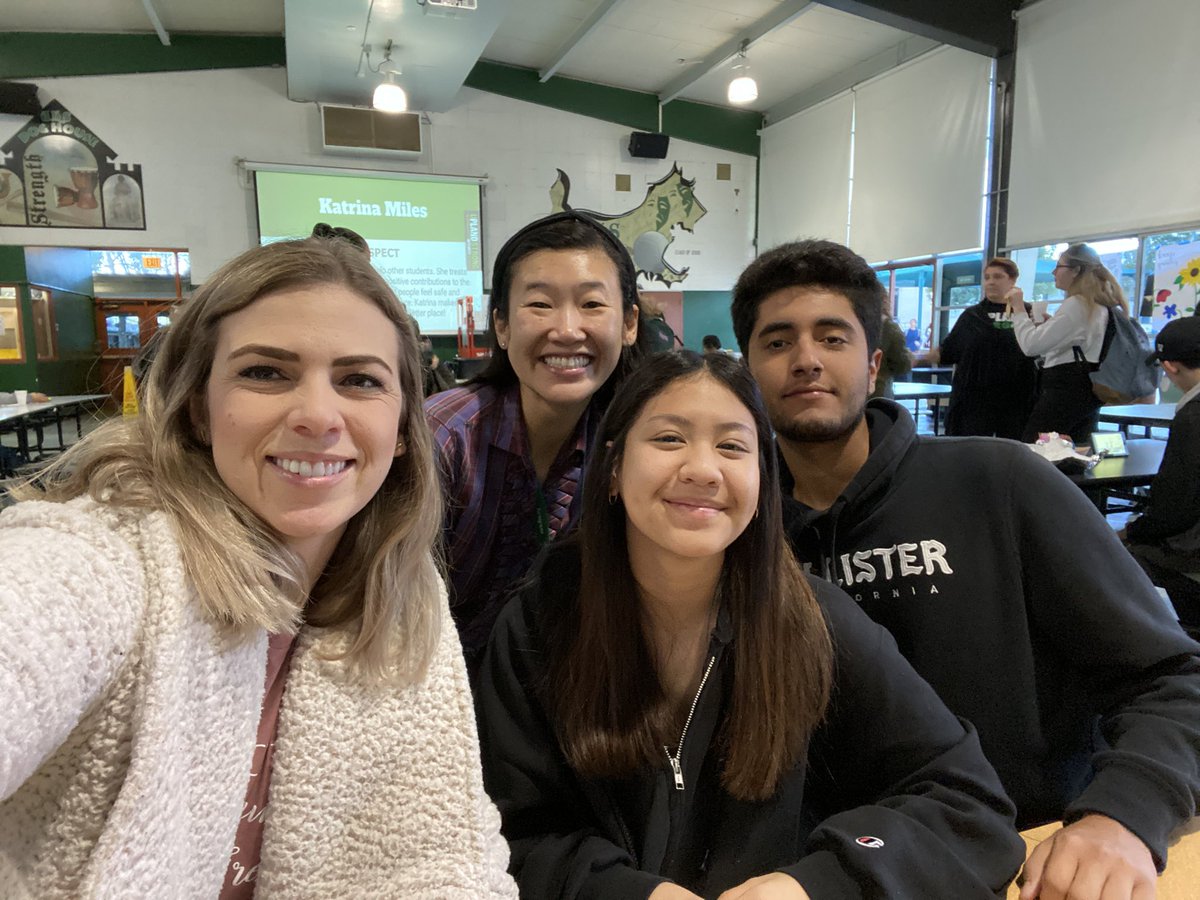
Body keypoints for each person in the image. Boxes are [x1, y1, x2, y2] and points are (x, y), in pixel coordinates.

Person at [0, 238, 516, 898]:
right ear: (197, 406)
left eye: (360, 380)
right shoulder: (103, 560)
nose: (318, 417)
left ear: (403, 425)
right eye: (266, 373)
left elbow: (451, 854)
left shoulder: (404, 595)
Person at [731, 238, 1200, 900]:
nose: (806, 360)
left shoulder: (1000, 482)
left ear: (872, 365)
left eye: (832, 338)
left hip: (1018, 865)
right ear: (748, 371)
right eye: (777, 343)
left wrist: (1120, 816)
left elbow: (1171, 679)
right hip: (823, 876)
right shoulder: (738, 534)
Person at [476, 350, 1024, 898]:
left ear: (763, 482)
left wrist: (815, 883)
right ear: (614, 468)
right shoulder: (538, 623)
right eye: (669, 439)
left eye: (733, 447)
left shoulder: (813, 622)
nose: (702, 469)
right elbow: (507, 834)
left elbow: (966, 803)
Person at [425, 210, 640, 672]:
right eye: (539, 304)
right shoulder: (444, 437)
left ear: (630, 324)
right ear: (501, 326)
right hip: (431, 696)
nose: (566, 329)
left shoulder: (633, 441)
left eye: (592, 305)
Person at [1121, 315, 1200, 636]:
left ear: (1169, 367)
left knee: (1110, 557)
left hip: (1193, 559)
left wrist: (1131, 532)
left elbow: (1175, 510)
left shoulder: (1193, 417)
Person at [1009, 243, 1130, 443]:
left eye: (1059, 266)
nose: (1053, 271)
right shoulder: (1100, 306)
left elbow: (1030, 346)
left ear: (1076, 271)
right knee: (1075, 451)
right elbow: (1079, 340)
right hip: (1087, 390)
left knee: (1036, 449)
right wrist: (1052, 326)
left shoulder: (1077, 304)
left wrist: (1018, 310)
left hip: (1064, 390)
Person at [936, 256, 1038, 438]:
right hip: (975, 401)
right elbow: (948, 352)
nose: (991, 282)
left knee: (1012, 453)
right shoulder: (972, 316)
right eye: (987, 277)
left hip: (1016, 400)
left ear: (1012, 280)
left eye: (998, 277)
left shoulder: (1030, 314)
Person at [869, 311, 911, 400]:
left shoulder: (856, 322)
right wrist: (910, 357)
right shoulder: (890, 328)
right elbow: (902, 365)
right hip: (880, 390)